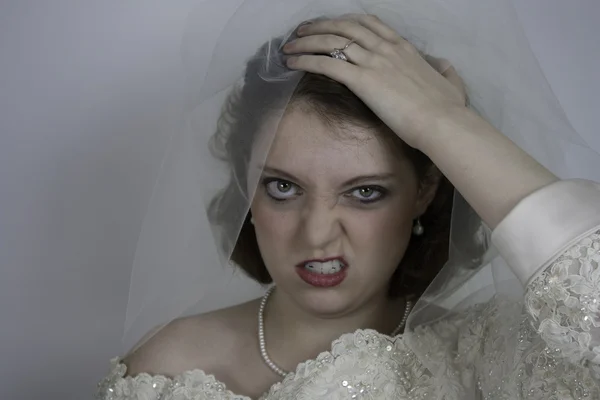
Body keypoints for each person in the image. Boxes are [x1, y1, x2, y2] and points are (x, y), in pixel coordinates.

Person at [96, 3, 600, 400]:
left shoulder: (492, 356)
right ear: (248, 185)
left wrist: (444, 124)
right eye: (283, 187)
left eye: (364, 192)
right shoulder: (166, 367)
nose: (316, 235)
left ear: (424, 189)